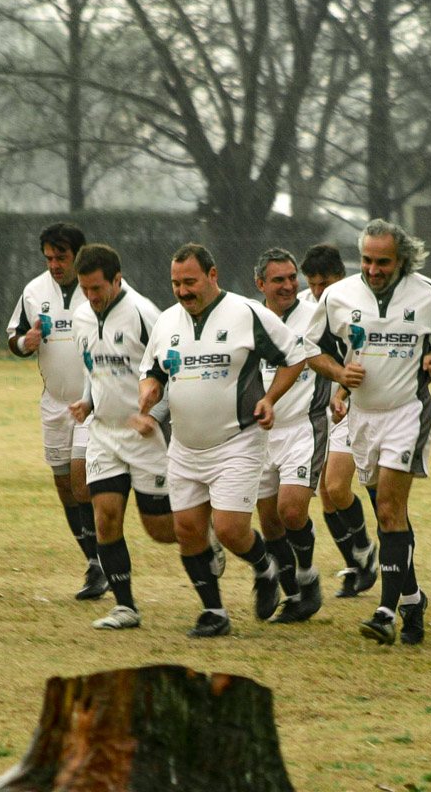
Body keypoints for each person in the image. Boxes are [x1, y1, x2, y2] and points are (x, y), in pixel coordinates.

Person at [304, 219, 431, 646]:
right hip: (362, 416)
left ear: (402, 260)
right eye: (367, 261)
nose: (373, 270)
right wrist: (340, 372)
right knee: (384, 512)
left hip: (407, 412)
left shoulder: (428, 293)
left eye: (383, 262)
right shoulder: (339, 296)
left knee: (390, 509)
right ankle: (411, 598)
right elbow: (312, 349)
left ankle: (385, 611)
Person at [138, 243, 306, 638]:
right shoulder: (166, 322)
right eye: (176, 283)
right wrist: (148, 390)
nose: (182, 291)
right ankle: (214, 612)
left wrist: (269, 398)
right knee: (188, 530)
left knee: (230, 530)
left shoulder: (246, 313)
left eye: (190, 282)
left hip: (237, 441)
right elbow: (153, 370)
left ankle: (264, 566)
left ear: (213, 276)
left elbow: (295, 356)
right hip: (184, 445)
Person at [69, 243, 178, 630]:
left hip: (144, 436)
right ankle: (125, 606)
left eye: (97, 288)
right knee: (106, 517)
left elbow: (172, 372)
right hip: (103, 434)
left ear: (117, 279)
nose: (91, 297)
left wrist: (156, 416)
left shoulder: (146, 314)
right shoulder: (82, 316)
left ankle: (207, 538)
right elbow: (91, 368)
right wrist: (86, 402)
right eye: (85, 289)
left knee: (162, 529)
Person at [7, 223, 105, 600]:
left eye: (61, 257)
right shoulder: (34, 291)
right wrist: (23, 342)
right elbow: (13, 337)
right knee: (65, 486)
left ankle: (102, 561)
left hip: (89, 401)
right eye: (48, 258)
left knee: (81, 482)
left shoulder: (95, 288)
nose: (54, 265)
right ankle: (95, 563)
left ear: (79, 254)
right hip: (53, 401)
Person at [253, 248, 327, 623]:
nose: (287, 285)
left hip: (303, 426)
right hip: (260, 434)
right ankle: (292, 593)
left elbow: (342, 353)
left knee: (291, 510)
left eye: (291, 277)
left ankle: (307, 577)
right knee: (269, 522)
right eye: (277, 279)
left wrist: (343, 391)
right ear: (260, 284)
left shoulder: (316, 314)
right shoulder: (249, 318)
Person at [299, 243, 377, 598]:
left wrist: (343, 392)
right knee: (326, 498)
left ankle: (364, 550)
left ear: (340, 277)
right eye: (312, 283)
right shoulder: (301, 306)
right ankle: (357, 565)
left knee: (335, 487)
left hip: (350, 406)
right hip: (315, 413)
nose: (318, 291)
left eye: (324, 282)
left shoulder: (355, 304)